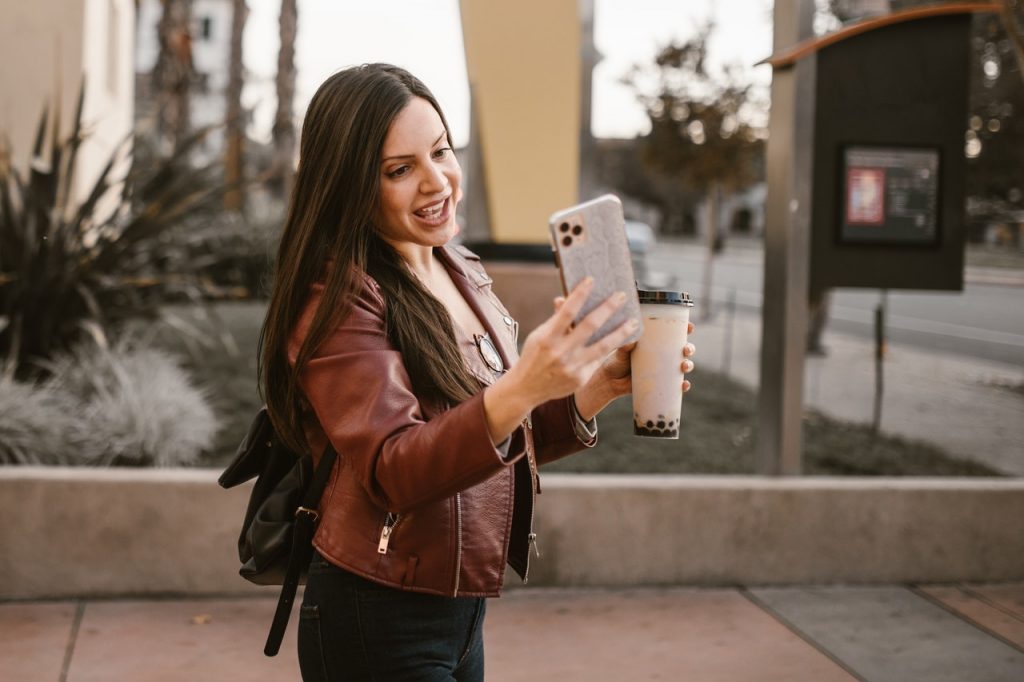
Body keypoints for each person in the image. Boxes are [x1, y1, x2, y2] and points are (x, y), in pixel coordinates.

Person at [258, 63, 696, 682]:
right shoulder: (337, 293)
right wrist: (525, 382)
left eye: (441, 151)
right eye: (399, 170)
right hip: (377, 614)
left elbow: (486, 439)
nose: (438, 181)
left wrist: (597, 385)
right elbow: (395, 467)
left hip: (461, 616)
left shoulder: (459, 267)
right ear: (349, 185)